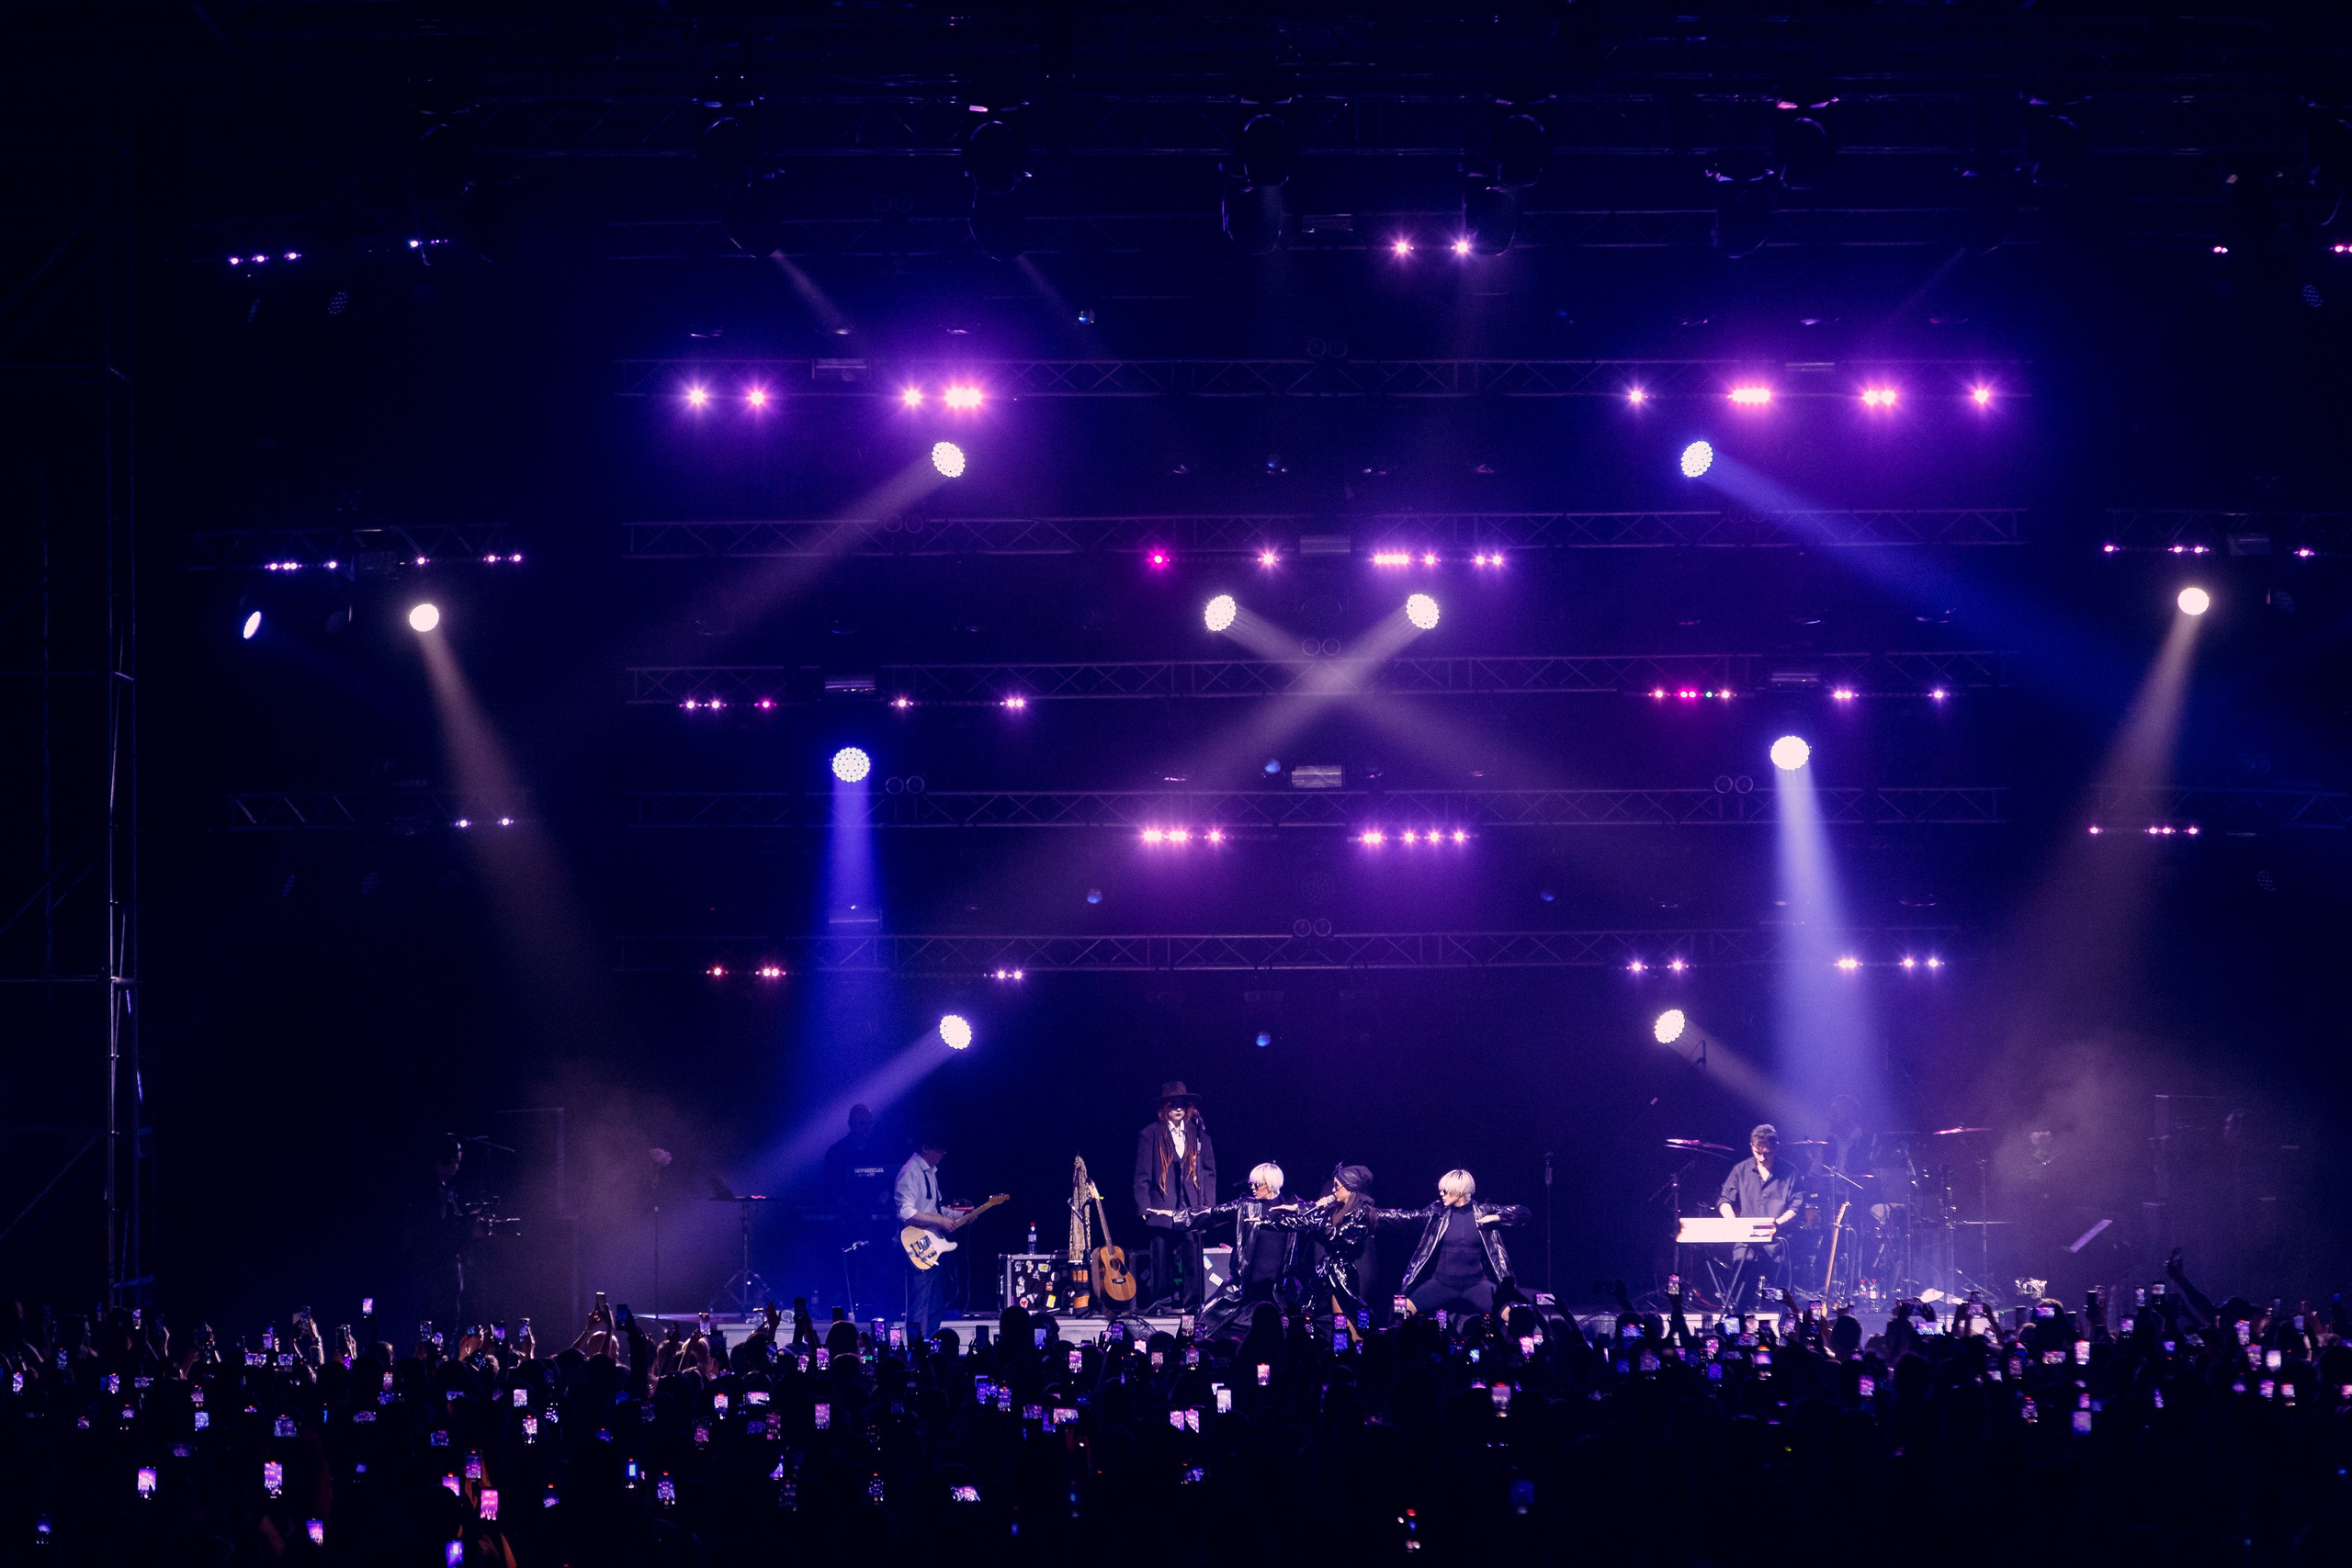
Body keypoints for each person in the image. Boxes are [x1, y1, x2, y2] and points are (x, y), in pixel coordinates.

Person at [1264, 1163, 1407, 1330]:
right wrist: (1268, 1220)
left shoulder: (1360, 1213)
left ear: (1350, 1188)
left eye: (1337, 1187)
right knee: (1337, 1320)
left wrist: (1318, 1211)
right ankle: (1346, 1347)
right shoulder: (1340, 1208)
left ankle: (1369, 1341)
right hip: (1332, 1269)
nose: (1333, 1191)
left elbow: (1331, 1235)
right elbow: (1309, 1217)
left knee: (1355, 1317)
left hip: (1353, 1270)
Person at [1393, 1169, 1530, 1318]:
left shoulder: (1483, 1211)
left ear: (1459, 1191)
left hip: (1476, 1284)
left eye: (1445, 1191)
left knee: (1516, 1317)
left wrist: (1496, 1217)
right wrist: (1373, 1215)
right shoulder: (1437, 1213)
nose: (1441, 1194)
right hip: (1441, 1284)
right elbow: (1405, 1217)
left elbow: (1523, 1213)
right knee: (1400, 1312)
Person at [1193, 1162, 1309, 1335]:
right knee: (1200, 1325)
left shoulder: (1291, 1207)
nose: (1253, 1188)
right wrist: (1173, 1216)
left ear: (1271, 1185)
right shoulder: (1245, 1206)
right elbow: (1211, 1213)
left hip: (1281, 1291)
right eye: (1251, 1184)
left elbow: (1318, 1212)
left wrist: (1297, 1208)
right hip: (1244, 1289)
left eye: (1258, 1184)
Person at [1133, 1081, 1216, 1311]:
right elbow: (1142, 1173)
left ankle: (1191, 1303)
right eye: (1173, 1104)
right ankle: (1162, 1301)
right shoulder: (1150, 1134)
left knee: (1191, 1255)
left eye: (1182, 1104)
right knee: (1161, 1256)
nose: (1178, 1108)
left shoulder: (1199, 1135)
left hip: (1191, 1205)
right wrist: (1143, 1206)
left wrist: (1209, 1206)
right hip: (1161, 1204)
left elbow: (1209, 1172)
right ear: (1165, 1107)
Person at [1717, 1123, 1810, 1314]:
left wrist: (1776, 1224)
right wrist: (1733, 1222)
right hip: (1746, 1243)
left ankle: (1782, 1333)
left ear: (1776, 1148)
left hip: (1777, 1243)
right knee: (1739, 1295)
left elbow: (1796, 1207)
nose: (1762, 1157)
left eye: (1767, 1153)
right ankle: (1739, 1334)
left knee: (1778, 1296)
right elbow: (1725, 1200)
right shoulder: (1740, 1170)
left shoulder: (1790, 1172)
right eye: (1758, 1152)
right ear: (1751, 1146)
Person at [895, 1134, 954, 1338]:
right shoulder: (910, 1171)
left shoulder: (930, 1172)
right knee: (920, 1301)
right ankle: (915, 1349)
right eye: (940, 1149)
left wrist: (958, 1215)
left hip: (933, 1245)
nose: (943, 1153)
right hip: (917, 1244)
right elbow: (906, 1212)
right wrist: (940, 1221)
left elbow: (934, 1209)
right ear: (926, 1148)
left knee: (935, 1301)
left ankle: (931, 1346)